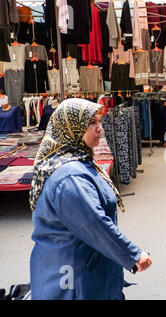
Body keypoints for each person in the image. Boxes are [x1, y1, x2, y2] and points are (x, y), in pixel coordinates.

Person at [29, 98, 152, 300]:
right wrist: (133, 255)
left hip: (85, 266)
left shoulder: (78, 162)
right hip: (73, 277)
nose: (100, 129)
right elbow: (95, 223)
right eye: (91, 123)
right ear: (71, 127)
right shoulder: (70, 177)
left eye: (99, 122)